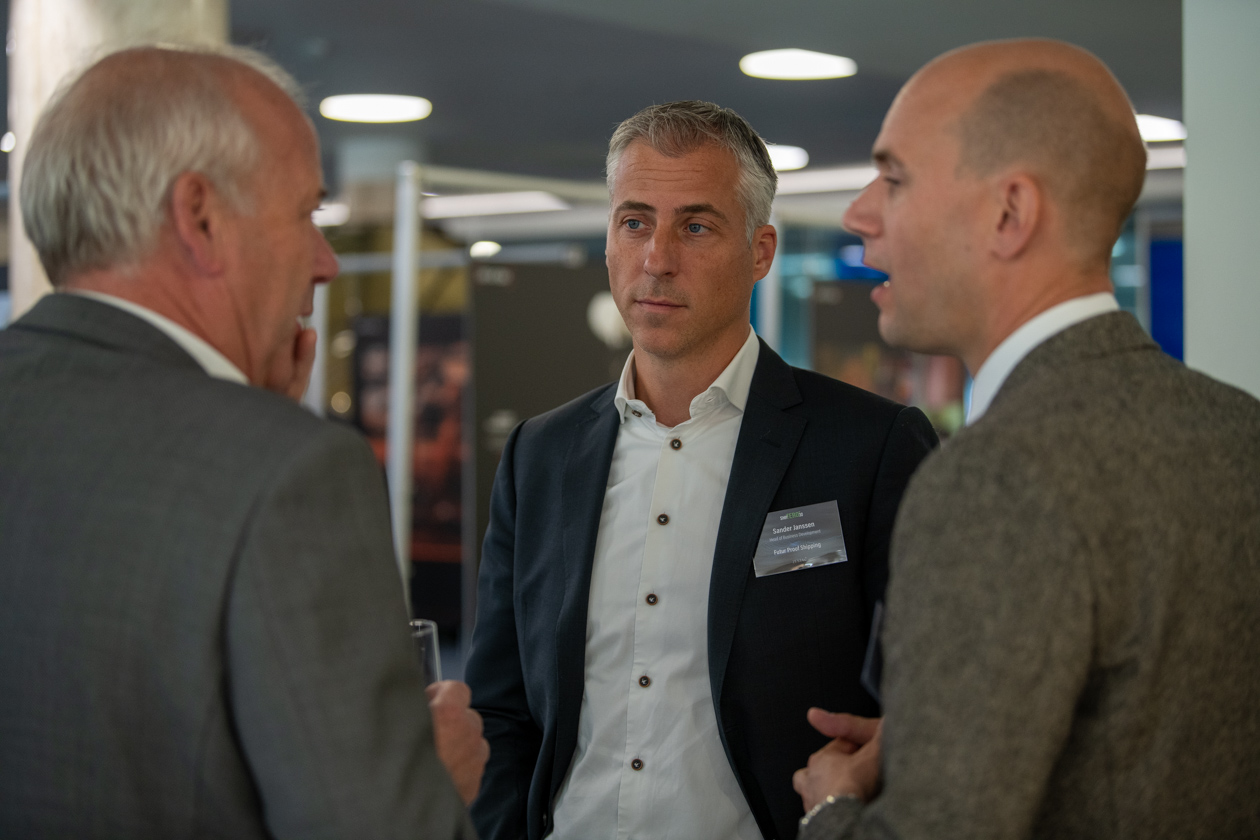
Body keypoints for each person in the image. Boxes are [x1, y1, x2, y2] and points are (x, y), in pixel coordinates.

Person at [0, 45, 487, 838]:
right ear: (200, 218)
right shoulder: (292, 473)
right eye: (305, 214)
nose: (326, 263)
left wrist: (241, 415)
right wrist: (430, 780)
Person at [791, 38, 1260, 840]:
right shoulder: (1238, 428)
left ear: (1010, 214)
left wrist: (833, 809)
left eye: (895, 179)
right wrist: (941, 736)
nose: (859, 214)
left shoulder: (992, 478)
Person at [464, 100, 938, 840]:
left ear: (761, 251)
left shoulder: (870, 449)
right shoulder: (541, 456)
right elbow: (498, 707)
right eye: (634, 222)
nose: (657, 258)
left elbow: (927, 706)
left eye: (695, 226)